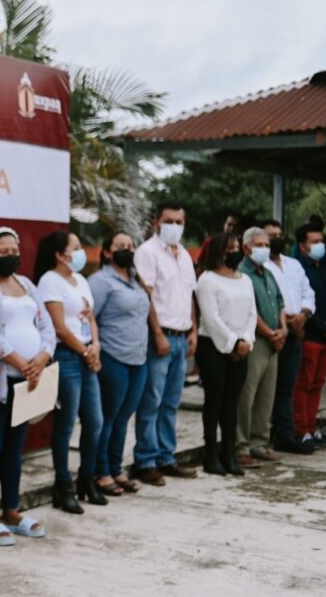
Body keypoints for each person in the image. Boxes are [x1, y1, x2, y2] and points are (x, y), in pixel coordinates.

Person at [0, 227, 55, 545]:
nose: (10, 256)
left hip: (28, 380)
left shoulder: (27, 284)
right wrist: (20, 362)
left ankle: (12, 510)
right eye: (2, 251)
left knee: (14, 449)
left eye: (13, 250)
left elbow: (47, 325)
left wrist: (42, 357)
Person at [35, 230, 105, 513]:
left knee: (95, 420)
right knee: (66, 424)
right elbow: (60, 327)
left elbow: (89, 316)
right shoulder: (49, 281)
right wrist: (84, 351)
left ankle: (87, 478)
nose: (80, 252)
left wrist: (96, 346)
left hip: (88, 353)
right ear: (59, 254)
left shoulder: (81, 280)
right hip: (68, 356)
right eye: (75, 247)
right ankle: (62, 484)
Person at [132, 201, 199, 486]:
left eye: (179, 221)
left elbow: (190, 295)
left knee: (171, 402)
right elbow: (145, 296)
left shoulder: (184, 255)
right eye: (169, 221)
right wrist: (157, 334)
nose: (174, 226)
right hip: (160, 338)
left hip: (183, 336)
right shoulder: (147, 253)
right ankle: (145, 461)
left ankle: (166, 457)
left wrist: (194, 330)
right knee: (152, 401)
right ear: (157, 222)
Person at [88, 232, 150, 496]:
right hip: (114, 357)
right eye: (120, 246)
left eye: (130, 246)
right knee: (109, 417)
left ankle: (116, 468)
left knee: (124, 418)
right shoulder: (101, 281)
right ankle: (100, 471)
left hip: (139, 357)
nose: (127, 250)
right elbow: (90, 317)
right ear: (107, 252)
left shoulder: (135, 281)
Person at [195, 232, 256, 476]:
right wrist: (232, 344)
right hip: (213, 346)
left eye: (236, 247)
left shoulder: (245, 280)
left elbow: (252, 313)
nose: (234, 251)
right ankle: (211, 457)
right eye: (229, 248)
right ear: (218, 251)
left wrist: (246, 341)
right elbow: (211, 319)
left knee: (232, 404)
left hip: (241, 347)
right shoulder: (207, 280)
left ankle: (229, 455)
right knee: (214, 401)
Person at [261, 220, 316, 455]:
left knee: (286, 388)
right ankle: (261, 435)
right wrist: (286, 320)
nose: (277, 238)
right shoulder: (260, 266)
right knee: (264, 389)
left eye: (279, 234)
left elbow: (308, 292)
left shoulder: (293, 264)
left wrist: (303, 315)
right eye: (271, 235)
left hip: (294, 332)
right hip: (271, 332)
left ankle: (284, 434)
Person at [236, 227, 287, 468]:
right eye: (260, 245)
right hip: (255, 340)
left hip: (274, 341)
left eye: (266, 245)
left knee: (267, 396)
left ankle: (259, 443)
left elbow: (279, 303)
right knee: (247, 395)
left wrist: (283, 330)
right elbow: (250, 311)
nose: (264, 249)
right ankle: (241, 446)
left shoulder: (267, 273)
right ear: (246, 248)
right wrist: (269, 332)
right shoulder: (241, 274)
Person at [293, 223, 326, 448]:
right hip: (313, 335)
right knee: (304, 384)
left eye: (321, 241)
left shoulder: (323, 267)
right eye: (314, 242)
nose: (320, 245)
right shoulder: (298, 270)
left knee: (318, 383)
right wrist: (325, 328)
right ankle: (301, 429)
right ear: (302, 246)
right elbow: (304, 305)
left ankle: (312, 427)